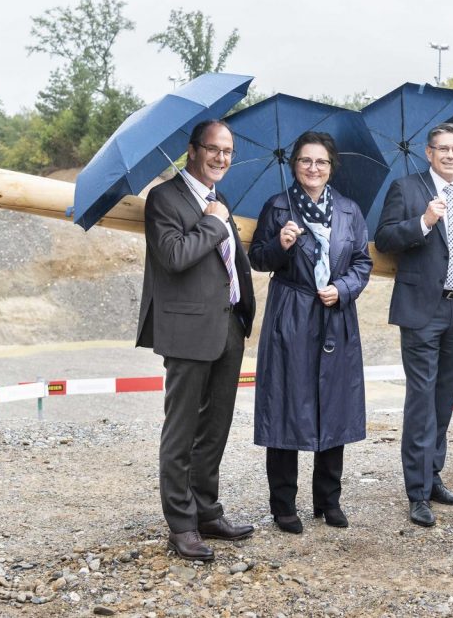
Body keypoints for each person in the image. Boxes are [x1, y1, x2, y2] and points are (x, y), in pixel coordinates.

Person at [136, 119, 257, 561]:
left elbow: (229, 262)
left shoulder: (217, 198)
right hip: (186, 330)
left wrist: (243, 312)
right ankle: (181, 525)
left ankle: (207, 510)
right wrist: (211, 223)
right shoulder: (164, 198)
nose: (222, 158)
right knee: (182, 431)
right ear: (193, 150)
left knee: (216, 427)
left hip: (228, 327)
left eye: (228, 151)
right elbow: (174, 257)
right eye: (214, 149)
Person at [374, 122, 453, 527]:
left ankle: (433, 476)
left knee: (444, 399)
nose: (450, 155)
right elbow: (385, 239)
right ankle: (416, 492)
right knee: (421, 399)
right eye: (442, 149)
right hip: (421, 309)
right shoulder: (406, 188)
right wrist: (424, 222)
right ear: (428, 153)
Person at [248, 131, 372, 534]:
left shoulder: (350, 210)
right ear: (294, 164)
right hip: (292, 313)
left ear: (331, 167)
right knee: (286, 404)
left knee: (332, 405)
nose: (313, 168)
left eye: (320, 162)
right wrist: (280, 245)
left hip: (335, 313)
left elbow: (361, 263)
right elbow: (257, 259)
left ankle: (328, 500)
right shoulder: (278, 206)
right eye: (305, 161)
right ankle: (284, 505)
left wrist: (344, 288)